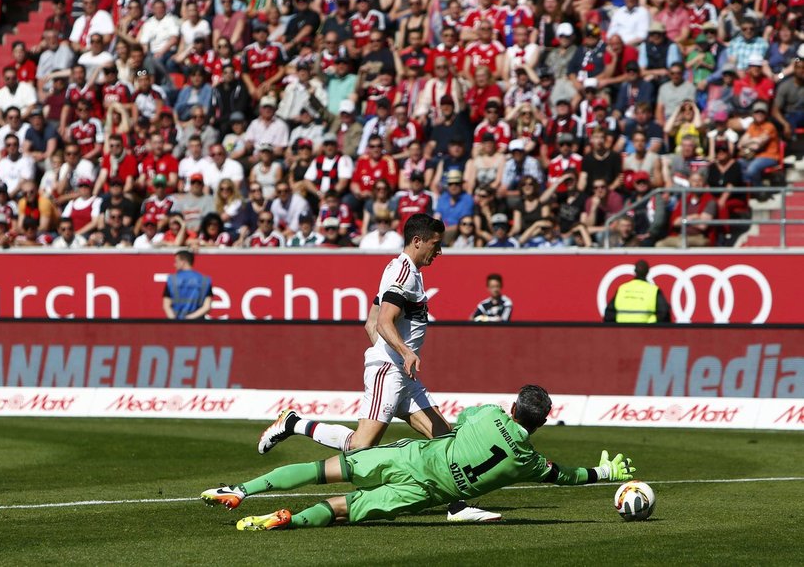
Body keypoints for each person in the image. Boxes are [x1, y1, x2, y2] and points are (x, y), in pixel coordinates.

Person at [256, 213, 499, 523]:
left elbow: (371, 321)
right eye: (436, 245)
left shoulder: (403, 269)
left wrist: (388, 353)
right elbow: (384, 321)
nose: (439, 252)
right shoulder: (404, 274)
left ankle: (457, 506)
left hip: (399, 372)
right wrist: (400, 353)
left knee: (442, 436)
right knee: (360, 448)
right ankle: (295, 424)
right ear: (417, 241)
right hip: (392, 370)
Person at [202, 385, 635, 531]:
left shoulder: (486, 415)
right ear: (540, 423)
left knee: (328, 468)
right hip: (427, 491)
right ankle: (288, 521)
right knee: (344, 509)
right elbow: (565, 476)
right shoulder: (530, 462)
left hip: (413, 457)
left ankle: (242, 489)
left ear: (515, 406)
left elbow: (459, 420)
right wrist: (603, 471)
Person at [603, 259, 672, 323]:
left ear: (635, 271)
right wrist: (652, 324)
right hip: (645, 331)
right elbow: (664, 313)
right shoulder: (653, 290)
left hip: (623, 331)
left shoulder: (622, 288)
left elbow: (609, 314)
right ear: (647, 272)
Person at [162, 249, 213, 320]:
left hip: (177, 324)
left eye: (176, 261)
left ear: (183, 262)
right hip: (198, 324)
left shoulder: (172, 279)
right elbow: (207, 307)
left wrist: (176, 322)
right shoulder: (205, 280)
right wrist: (189, 319)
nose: (174, 265)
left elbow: (166, 305)